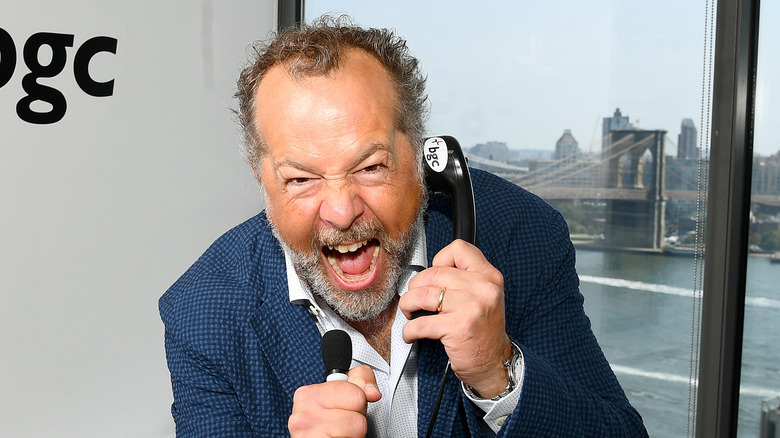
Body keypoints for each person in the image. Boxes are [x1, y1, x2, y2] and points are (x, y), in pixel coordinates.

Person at [159, 16, 648, 437]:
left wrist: (499, 373)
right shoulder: (203, 313)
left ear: (417, 155)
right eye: (301, 179)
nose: (341, 211)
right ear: (260, 177)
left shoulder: (521, 234)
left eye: (370, 167)